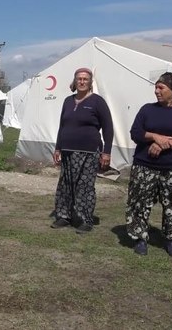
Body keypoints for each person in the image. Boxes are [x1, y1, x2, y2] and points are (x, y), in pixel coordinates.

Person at [126, 72, 172, 257]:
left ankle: (171, 239)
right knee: (140, 202)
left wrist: (165, 144)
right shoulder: (147, 110)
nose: (156, 91)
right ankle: (140, 238)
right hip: (145, 165)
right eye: (156, 87)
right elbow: (135, 133)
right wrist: (154, 137)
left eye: (161, 87)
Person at [52, 67, 114, 233]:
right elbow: (62, 126)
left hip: (89, 152)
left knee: (85, 186)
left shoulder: (97, 102)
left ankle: (85, 219)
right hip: (67, 151)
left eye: (85, 79)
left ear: (90, 82)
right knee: (65, 184)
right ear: (75, 81)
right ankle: (64, 216)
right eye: (79, 78)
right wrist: (58, 147)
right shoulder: (67, 101)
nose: (81, 81)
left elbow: (108, 127)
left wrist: (106, 151)